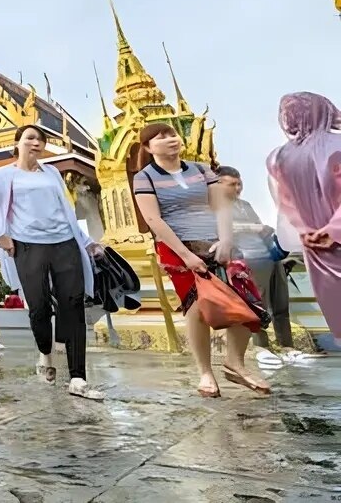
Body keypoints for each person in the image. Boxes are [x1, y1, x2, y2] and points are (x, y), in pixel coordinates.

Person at [132, 122, 267, 398]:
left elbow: (221, 207)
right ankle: (205, 371)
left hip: (216, 241)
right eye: (161, 137)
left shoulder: (200, 169)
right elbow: (153, 219)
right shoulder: (144, 177)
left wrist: (227, 239)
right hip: (177, 246)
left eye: (172, 134)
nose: (171, 139)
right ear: (148, 147)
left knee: (246, 301)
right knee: (196, 306)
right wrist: (186, 255)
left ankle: (235, 363)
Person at [0, 124, 105, 401]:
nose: (36, 143)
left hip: (64, 243)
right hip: (27, 244)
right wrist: (0, 235)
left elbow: (67, 212)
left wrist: (86, 241)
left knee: (72, 305)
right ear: (17, 143)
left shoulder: (52, 174)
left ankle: (78, 377)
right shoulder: (4, 175)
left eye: (41, 140)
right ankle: (45, 352)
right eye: (30, 138)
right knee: (39, 307)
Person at [268, 92, 341, 346]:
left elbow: (285, 204)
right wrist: (333, 230)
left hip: (315, 247)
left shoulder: (278, 158)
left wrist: (307, 231)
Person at [216, 165, 294, 353]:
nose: (238, 188)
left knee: (281, 305)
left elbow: (260, 228)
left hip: (269, 258)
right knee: (257, 307)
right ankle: (262, 348)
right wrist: (253, 228)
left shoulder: (245, 205)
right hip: (246, 260)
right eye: (232, 184)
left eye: (239, 183)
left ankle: (287, 347)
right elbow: (222, 231)